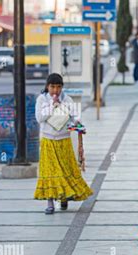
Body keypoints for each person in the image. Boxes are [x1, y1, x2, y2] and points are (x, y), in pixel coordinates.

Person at [34, 73, 93, 214]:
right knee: (50, 172)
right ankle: (50, 203)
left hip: (64, 140)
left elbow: (75, 115)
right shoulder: (42, 99)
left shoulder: (67, 99)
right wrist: (52, 107)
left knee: (65, 170)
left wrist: (78, 122)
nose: (55, 90)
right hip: (48, 141)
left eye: (58, 87)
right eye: (52, 87)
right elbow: (39, 118)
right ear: (47, 86)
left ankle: (64, 197)